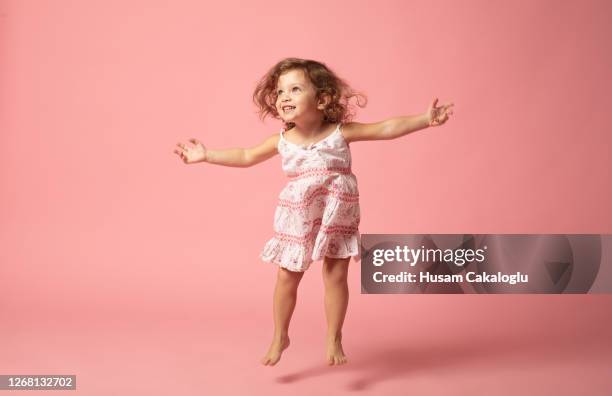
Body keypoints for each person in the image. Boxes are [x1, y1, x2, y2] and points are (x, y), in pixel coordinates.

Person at [173, 57, 454, 367]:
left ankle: (334, 336)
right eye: (280, 92)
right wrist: (206, 155)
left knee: (335, 274)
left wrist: (424, 119)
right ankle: (281, 334)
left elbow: (385, 128)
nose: (285, 97)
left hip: (337, 210)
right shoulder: (281, 141)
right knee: (286, 276)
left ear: (322, 99)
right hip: (299, 213)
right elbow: (246, 155)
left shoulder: (339, 132)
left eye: (295, 89)